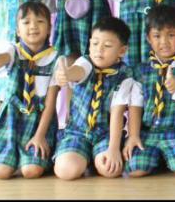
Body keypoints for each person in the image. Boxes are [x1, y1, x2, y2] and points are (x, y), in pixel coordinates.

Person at [0, 2, 60, 179]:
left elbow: (50, 105)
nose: (33, 26)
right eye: (26, 22)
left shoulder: (55, 58)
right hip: (11, 120)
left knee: (31, 171)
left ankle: (32, 158)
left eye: (40, 21)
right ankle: (14, 157)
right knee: (0, 172)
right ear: (17, 30)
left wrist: (40, 136)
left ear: (49, 29)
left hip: (39, 122)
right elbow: (3, 57)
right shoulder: (14, 50)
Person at [53, 17, 136, 180]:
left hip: (106, 133)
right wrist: (67, 74)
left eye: (107, 46)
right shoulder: (85, 62)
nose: (99, 50)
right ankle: (82, 155)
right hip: (77, 132)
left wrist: (113, 149)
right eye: (95, 43)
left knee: (110, 170)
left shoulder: (125, 75)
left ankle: (93, 157)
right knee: (66, 171)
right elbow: (78, 71)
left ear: (122, 51)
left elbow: (118, 112)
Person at [123, 5, 175, 177]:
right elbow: (135, 106)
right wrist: (133, 135)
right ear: (148, 38)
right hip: (148, 133)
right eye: (157, 36)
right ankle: (159, 157)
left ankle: (167, 156)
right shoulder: (141, 70)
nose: (164, 42)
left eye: (171, 35)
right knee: (135, 169)